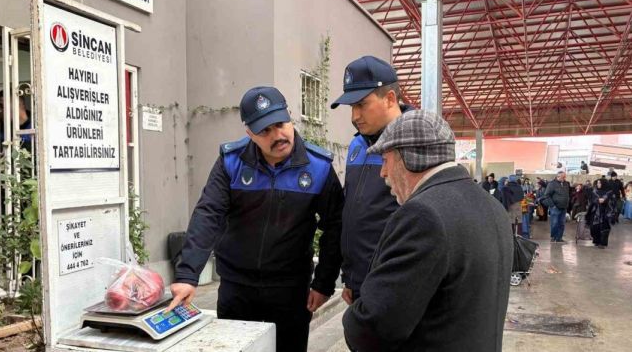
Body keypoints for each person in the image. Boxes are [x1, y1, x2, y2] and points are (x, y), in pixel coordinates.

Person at [169, 86, 344, 352]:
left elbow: (335, 225)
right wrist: (187, 274)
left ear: (290, 118)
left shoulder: (317, 167)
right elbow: (209, 213)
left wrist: (323, 283)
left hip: (290, 289)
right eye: (265, 131)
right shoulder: (231, 162)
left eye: (280, 124)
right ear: (249, 133)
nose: (278, 136)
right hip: (237, 288)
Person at [342, 110, 513, 351]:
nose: (382, 173)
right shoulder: (491, 205)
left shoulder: (423, 216)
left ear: (408, 157)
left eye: (385, 160)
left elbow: (374, 326)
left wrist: (352, 319)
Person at [329, 55, 413, 305]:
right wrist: (351, 279)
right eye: (351, 107)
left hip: (394, 285)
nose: (355, 115)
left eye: (362, 104)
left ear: (389, 98)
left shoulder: (414, 144)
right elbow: (355, 214)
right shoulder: (357, 145)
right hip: (360, 285)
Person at [586, 179, 614, 249]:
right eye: (597, 183)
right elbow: (591, 200)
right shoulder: (595, 191)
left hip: (605, 213)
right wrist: (597, 201)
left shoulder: (609, 192)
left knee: (603, 228)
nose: (598, 184)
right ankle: (596, 241)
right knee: (594, 228)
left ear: (603, 184)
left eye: (599, 183)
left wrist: (605, 200)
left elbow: (613, 202)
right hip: (595, 212)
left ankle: (602, 243)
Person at [544, 171, 570, 243]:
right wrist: (552, 205)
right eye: (563, 177)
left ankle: (559, 238)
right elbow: (546, 195)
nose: (564, 178)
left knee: (562, 223)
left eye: (565, 177)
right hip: (555, 207)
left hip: (564, 207)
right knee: (555, 223)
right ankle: (553, 237)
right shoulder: (552, 184)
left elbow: (567, 194)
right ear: (558, 176)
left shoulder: (566, 184)